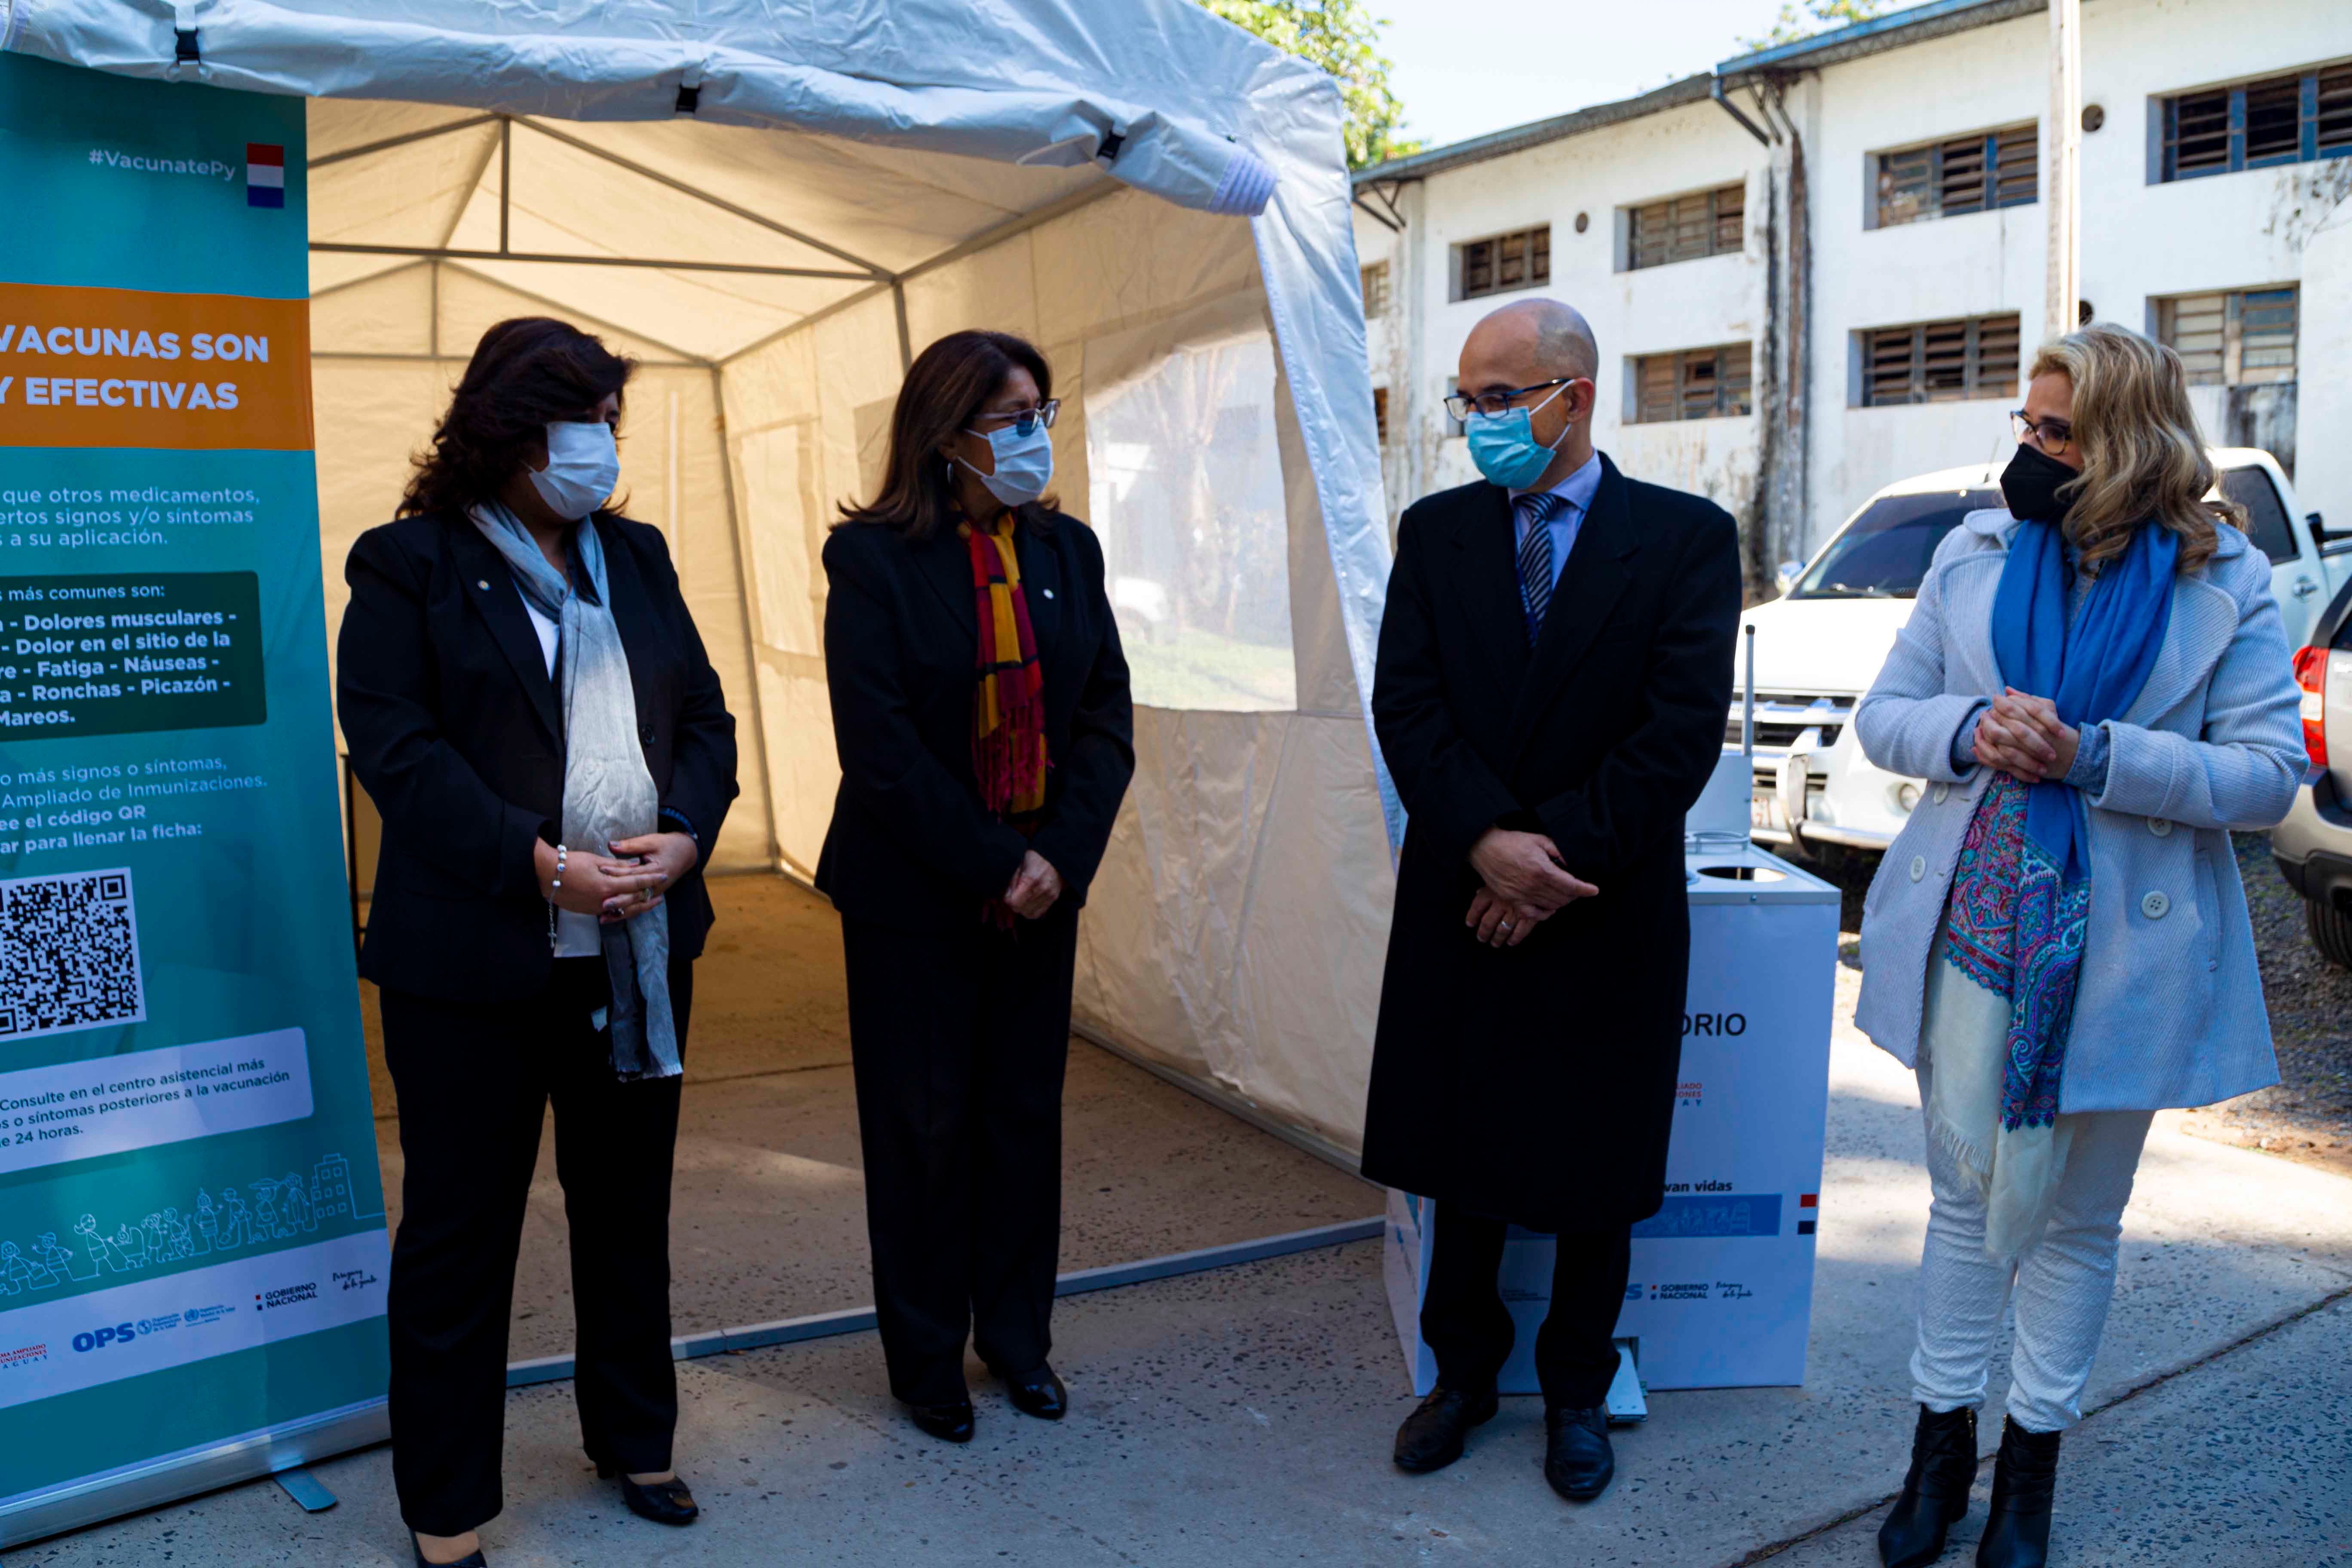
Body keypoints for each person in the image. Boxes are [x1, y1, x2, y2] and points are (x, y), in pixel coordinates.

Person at [1853, 323, 2304, 1568]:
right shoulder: (1977, 547)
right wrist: (1969, 730)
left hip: (2122, 949)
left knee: (2075, 1222)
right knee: (1961, 1200)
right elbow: (1882, 719)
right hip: (1975, 927)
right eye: (2027, 425)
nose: (2030, 451)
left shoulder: (2225, 579)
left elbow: (2271, 778)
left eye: (2058, 433)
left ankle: (2031, 1476)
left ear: (2125, 442)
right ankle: (1937, 1457)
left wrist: (2097, 755)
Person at [339, 317, 738, 1568]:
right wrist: (542, 866)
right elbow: (397, 750)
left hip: (636, 947)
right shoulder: (409, 562)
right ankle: (447, 1504)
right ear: (510, 430)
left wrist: (682, 835)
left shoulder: (639, 553)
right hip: (478, 960)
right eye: (584, 423)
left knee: (628, 1206)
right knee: (464, 1230)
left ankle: (637, 1437)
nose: (604, 447)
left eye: (614, 421)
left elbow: (709, 717)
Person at [1359, 298, 1742, 1503]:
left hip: (1602, 895)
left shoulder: (1684, 539)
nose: (1477, 420)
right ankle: (1461, 1373)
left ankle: (1576, 1387)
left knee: (1592, 1159)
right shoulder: (1436, 535)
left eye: (1497, 396)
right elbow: (1406, 709)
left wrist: (1547, 864)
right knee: (1462, 1148)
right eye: (1466, 397)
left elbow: (1675, 735)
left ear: (1573, 396)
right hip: (1464, 887)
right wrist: (1484, 842)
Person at [818, 329, 1135, 1444]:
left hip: (1041, 892)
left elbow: (1103, 719)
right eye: (1013, 420)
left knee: (1017, 1121)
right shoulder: (873, 564)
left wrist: (1057, 857)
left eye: (1045, 413)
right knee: (923, 1129)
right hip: (916, 893)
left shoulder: (1068, 552)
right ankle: (924, 1361)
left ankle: (1016, 1340)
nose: (1036, 438)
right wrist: (1000, 861)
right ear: (946, 435)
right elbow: (883, 752)